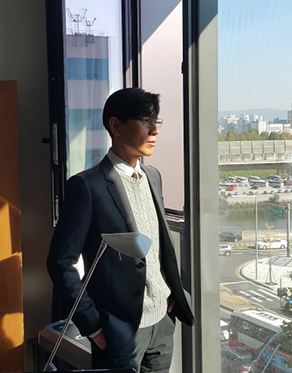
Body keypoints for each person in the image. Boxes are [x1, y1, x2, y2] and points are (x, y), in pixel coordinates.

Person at [47, 88, 194, 372]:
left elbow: (158, 246)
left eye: (157, 122)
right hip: (119, 331)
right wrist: (92, 325)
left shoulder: (153, 176)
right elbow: (60, 262)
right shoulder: (87, 186)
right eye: (146, 121)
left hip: (163, 321)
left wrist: (171, 294)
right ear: (115, 125)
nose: (155, 131)